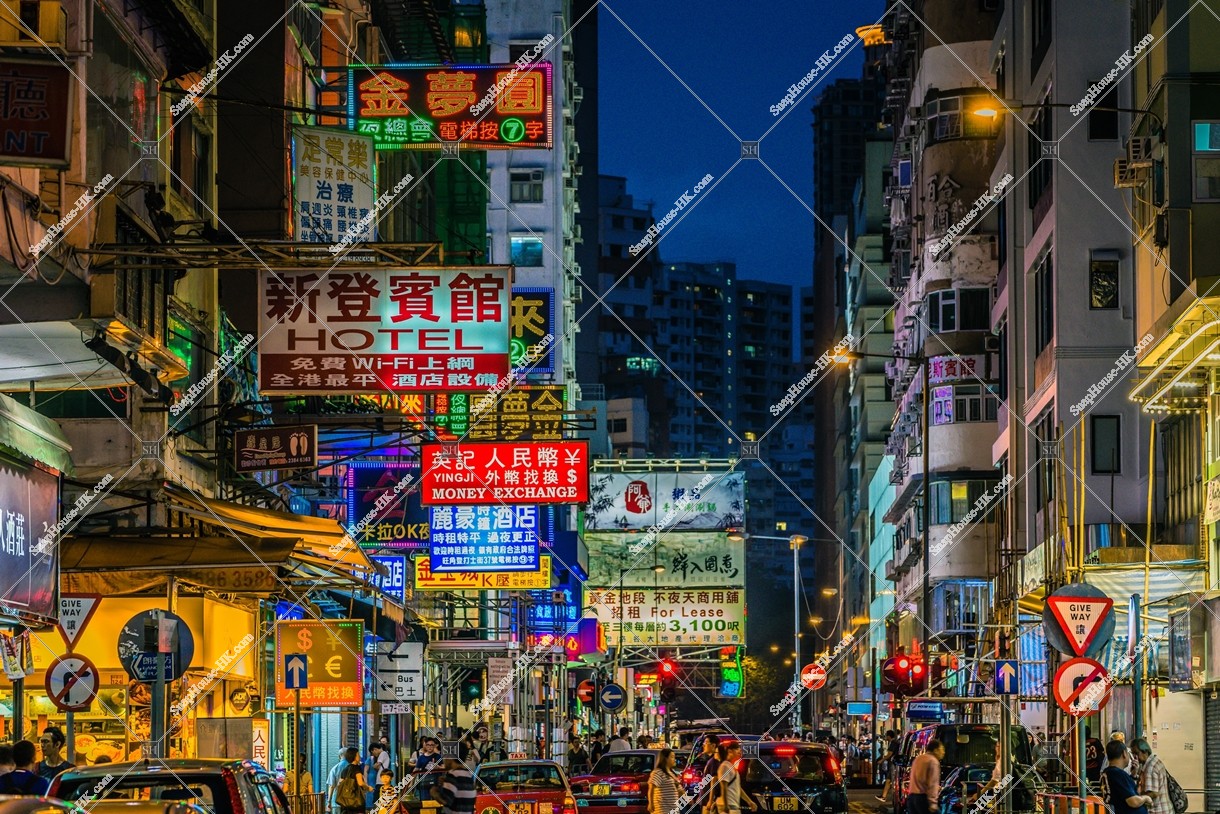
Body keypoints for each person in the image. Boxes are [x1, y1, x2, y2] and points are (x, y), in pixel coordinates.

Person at [1102, 740, 1152, 814]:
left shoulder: (1107, 772)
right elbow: (1133, 802)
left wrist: (1133, 775)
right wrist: (1146, 798)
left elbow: (1123, 791)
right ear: (1124, 753)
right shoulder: (1118, 774)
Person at [1131, 739, 1172, 814]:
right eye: (1133, 754)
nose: (1134, 757)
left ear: (1145, 751)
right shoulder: (1155, 760)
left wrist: (1137, 799)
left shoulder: (1150, 768)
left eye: (1136, 753)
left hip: (1157, 811)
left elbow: (1153, 793)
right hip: (1165, 808)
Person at [715, 743, 759, 814]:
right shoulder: (725, 766)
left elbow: (737, 787)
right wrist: (726, 806)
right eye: (737, 749)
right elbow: (724, 787)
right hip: (728, 807)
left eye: (740, 749)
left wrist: (749, 801)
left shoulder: (731, 767)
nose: (740, 751)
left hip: (733, 806)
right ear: (730, 751)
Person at [905, 739, 944, 814]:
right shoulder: (933, 761)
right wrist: (933, 803)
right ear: (935, 750)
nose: (943, 752)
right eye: (941, 750)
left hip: (912, 798)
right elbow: (932, 784)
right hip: (923, 799)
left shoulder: (918, 759)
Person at [336, 747, 373, 814]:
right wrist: (368, 788)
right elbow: (360, 783)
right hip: (356, 801)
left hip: (345, 801)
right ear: (354, 757)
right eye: (358, 754)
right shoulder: (356, 769)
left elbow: (339, 783)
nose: (359, 756)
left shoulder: (345, 769)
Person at [649, 748, 683, 814]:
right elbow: (651, 788)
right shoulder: (658, 772)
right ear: (665, 759)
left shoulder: (672, 774)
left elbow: (679, 790)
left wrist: (689, 800)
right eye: (672, 757)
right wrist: (651, 803)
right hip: (662, 810)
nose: (674, 760)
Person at [700, 735, 722, 814]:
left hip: (709, 802)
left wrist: (710, 800)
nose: (703, 745)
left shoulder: (714, 761)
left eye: (706, 742)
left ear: (713, 745)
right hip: (706, 800)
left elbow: (714, 780)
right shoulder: (711, 760)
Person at [876, 731, 900, 803]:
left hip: (893, 764)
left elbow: (890, 754)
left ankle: (894, 798)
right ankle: (883, 796)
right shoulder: (895, 742)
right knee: (888, 780)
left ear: (889, 736)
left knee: (892, 780)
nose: (886, 737)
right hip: (893, 764)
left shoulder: (893, 743)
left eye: (886, 736)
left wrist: (882, 760)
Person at [329, 747, 352, 814]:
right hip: (349, 801)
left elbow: (331, 786)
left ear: (339, 756)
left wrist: (329, 801)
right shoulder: (352, 768)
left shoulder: (334, 768)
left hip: (336, 800)